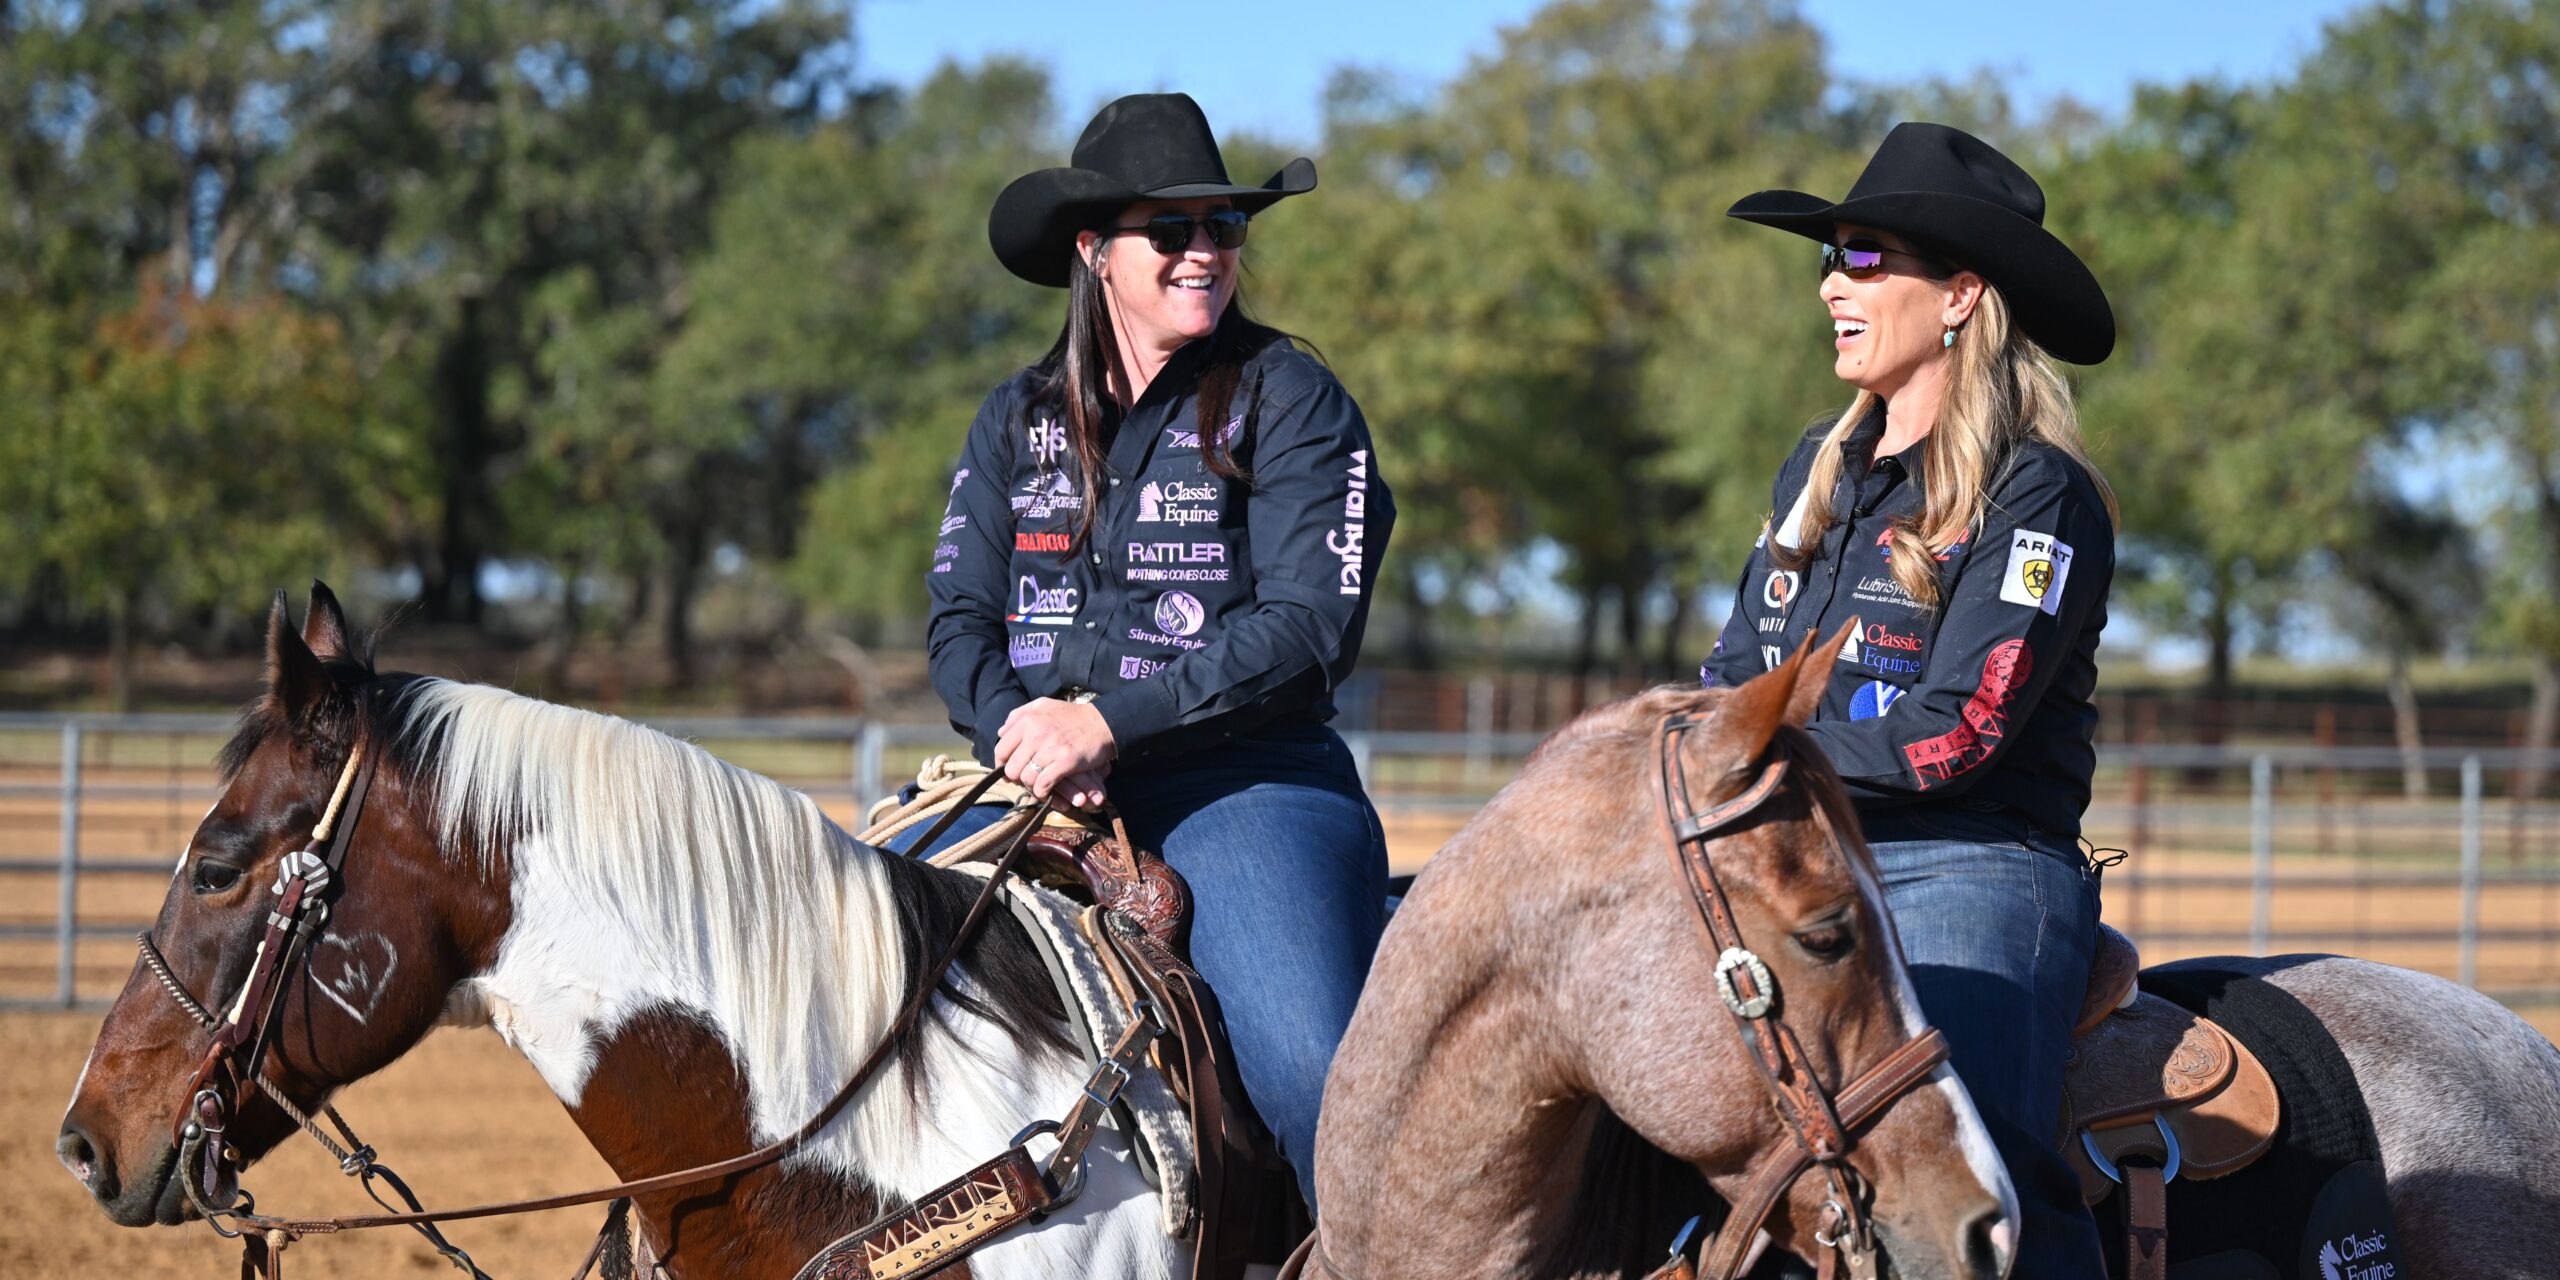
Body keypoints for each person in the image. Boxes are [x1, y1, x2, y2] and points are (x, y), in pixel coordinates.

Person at [926, 92, 1394, 1211]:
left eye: (1222, 229)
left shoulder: (1293, 400)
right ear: (1093, 252)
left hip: (1245, 784)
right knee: (824, 963)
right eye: (1170, 231)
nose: (1204, 253)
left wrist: (1104, 722)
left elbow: (1304, 630)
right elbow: (957, 618)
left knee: (1310, 1065)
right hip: (1022, 776)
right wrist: (1026, 734)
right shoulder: (1016, 418)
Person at [1702, 122, 2119, 1273]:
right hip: (1792, 840)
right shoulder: (1816, 469)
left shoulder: (2037, 495)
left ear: (1959, 297)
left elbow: (1962, 731)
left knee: (1972, 1168)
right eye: (1829, 256)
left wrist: (1763, 749)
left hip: (1971, 858)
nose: (1834, 281)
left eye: (1867, 256)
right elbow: (1736, 666)